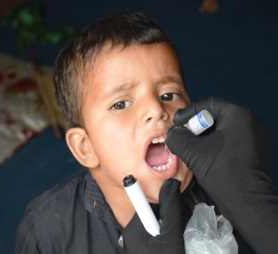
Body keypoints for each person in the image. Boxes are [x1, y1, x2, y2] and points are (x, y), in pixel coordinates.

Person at [15, 10, 278, 254]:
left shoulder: (225, 192)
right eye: (120, 103)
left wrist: (255, 204)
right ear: (86, 147)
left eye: (168, 94)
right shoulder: (49, 230)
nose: (156, 108)